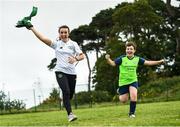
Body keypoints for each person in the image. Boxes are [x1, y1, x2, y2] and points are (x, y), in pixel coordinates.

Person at [28, 25, 85, 122]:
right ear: (59, 33)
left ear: (68, 33)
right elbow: (42, 38)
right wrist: (32, 28)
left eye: (65, 32)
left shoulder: (73, 44)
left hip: (72, 73)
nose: (63, 34)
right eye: (61, 32)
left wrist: (75, 59)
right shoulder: (56, 44)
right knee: (66, 91)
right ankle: (70, 114)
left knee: (70, 94)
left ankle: (65, 101)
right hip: (60, 71)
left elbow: (82, 56)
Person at [105, 41, 164, 118]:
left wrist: (159, 62)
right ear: (125, 50)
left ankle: (131, 113)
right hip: (123, 82)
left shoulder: (137, 59)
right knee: (123, 100)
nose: (129, 50)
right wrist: (108, 59)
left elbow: (148, 63)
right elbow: (113, 64)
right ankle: (119, 91)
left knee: (134, 95)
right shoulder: (122, 59)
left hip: (133, 80)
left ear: (134, 51)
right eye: (128, 49)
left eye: (131, 49)